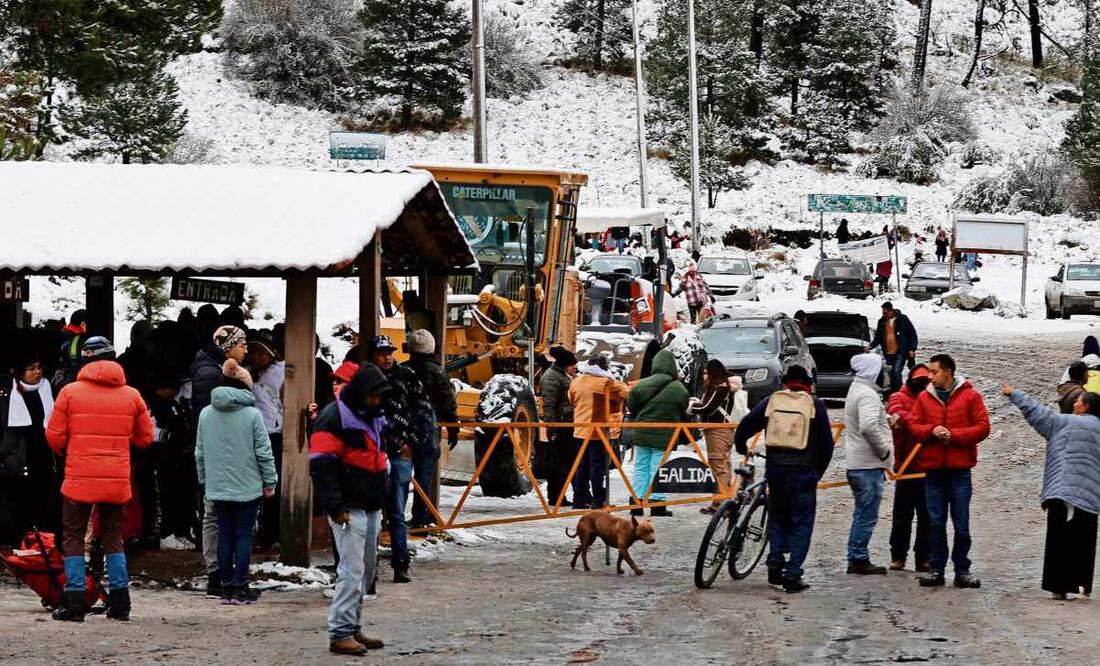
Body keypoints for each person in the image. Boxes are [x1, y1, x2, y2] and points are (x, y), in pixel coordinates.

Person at [46, 337, 154, 622]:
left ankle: (74, 600)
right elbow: (145, 438)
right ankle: (120, 603)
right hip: (115, 479)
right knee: (113, 537)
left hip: (79, 477)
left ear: (86, 359)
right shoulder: (131, 395)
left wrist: (69, 451)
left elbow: (54, 435)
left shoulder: (69, 393)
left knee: (73, 536)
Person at [310, 364, 391, 656]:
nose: (378, 401)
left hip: (369, 504)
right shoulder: (332, 418)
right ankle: (341, 632)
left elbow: (379, 455)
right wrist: (335, 506)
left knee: (365, 571)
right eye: (375, 396)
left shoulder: (372, 414)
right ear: (362, 393)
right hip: (348, 507)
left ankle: (352, 628)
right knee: (352, 570)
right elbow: (321, 465)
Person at [734, 365, 835, 593]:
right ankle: (792, 575)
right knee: (802, 524)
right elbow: (827, 445)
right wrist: (816, 472)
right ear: (807, 383)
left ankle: (774, 565)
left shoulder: (773, 401)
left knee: (777, 518)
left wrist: (741, 446)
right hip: (804, 471)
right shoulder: (815, 405)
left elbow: (746, 425)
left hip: (776, 470)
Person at [1003, 385, 1100, 599]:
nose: (1074, 404)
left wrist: (1015, 394)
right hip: (1091, 495)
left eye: (1078, 401)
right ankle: (1084, 585)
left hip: (1063, 490)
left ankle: (1060, 588)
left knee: (1059, 540)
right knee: (1085, 540)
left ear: (1085, 407)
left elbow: (1038, 412)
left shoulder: (1064, 422)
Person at [195, 359, 277, 605]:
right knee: (243, 536)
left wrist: (204, 479)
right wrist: (270, 480)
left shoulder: (206, 414)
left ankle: (225, 585)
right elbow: (263, 451)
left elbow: (199, 452)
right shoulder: (252, 415)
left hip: (217, 486)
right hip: (247, 486)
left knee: (224, 536)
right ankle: (241, 586)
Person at [906, 354, 989, 589]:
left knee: (961, 523)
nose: (929, 376)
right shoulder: (924, 398)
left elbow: (983, 427)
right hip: (933, 470)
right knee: (936, 522)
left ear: (948, 372)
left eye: (934, 372)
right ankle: (937, 568)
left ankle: (962, 569)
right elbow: (913, 425)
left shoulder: (971, 396)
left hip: (959, 470)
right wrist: (932, 430)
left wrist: (954, 436)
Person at [191, 324, 248, 598]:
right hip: (221, 458)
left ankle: (223, 575)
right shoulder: (211, 375)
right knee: (216, 519)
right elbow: (210, 423)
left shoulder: (211, 369)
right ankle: (220, 575)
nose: (245, 349)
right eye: (241, 344)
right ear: (228, 348)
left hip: (217, 459)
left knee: (218, 519)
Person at [370, 335, 433, 584]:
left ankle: (401, 564)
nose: (387, 356)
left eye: (389, 352)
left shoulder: (406, 376)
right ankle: (368, 567)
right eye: (381, 352)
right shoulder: (367, 379)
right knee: (370, 514)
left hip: (399, 454)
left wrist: (412, 443)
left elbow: (424, 412)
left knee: (396, 513)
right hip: (372, 454)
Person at [0, 355, 60, 546]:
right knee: (19, 503)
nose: (37, 372)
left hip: (44, 453)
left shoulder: (49, 389)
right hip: (16, 455)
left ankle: (43, 544)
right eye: (31, 368)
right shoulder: (7, 393)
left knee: (44, 501)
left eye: (39, 367)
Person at [402, 329, 457, 528]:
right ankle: (420, 517)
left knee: (401, 474)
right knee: (424, 476)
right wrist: (453, 427)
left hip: (404, 428)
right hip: (429, 428)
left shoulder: (403, 370)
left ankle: (395, 516)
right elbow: (447, 401)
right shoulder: (438, 372)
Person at [843, 354, 894, 575]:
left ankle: (856, 555)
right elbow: (868, 426)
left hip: (859, 464)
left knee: (861, 513)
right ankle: (858, 558)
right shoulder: (867, 395)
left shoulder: (858, 390)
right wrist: (884, 450)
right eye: (882, 370)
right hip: (867, 465)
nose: (886, 374)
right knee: (866, 515)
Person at [626, 349, 689, 518]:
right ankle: (657, 503)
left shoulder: (641, 384)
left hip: (642, 432)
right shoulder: (679, 388)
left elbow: (631, 407)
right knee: (658, 467)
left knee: (640, 466)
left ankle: (637, 502)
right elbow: (684, 410)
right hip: (665, 435)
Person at [568, 355, 630, 509]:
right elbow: (624, 393)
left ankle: (579, 499)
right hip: (597, 432)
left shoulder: (576, 381)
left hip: (579, 430)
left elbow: (571, 398)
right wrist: (616, 378)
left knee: (581, 467)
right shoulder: (606, 383)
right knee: (597, 468)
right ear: (604, 367)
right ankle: (598, 500)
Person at [887, 364, 932, 573]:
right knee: (902, 515)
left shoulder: (934, 399)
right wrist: (923, 424)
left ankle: (924, 557)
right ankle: (898, 556)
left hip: (929, 467)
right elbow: (894, 414)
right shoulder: (899, 397)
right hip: (905, 466)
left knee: (927, 516)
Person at [688, 360, 747, 514]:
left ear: (713, 373)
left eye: (706, 372)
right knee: (723, 464)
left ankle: (721, 503)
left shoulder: (720, 388)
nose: (704, 376)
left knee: (718, 464)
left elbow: (708, 408)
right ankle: (725, 500)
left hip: (718, 430)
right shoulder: (723, 387)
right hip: (722, 430)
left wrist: (690, 406)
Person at [246, 332, 285, 550]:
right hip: (256, 433)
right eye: (251, 352)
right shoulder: (250, 375)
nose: (254, 357)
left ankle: (271, 532)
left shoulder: (280, 373)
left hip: (274, 433)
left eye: (259, 353)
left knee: (272, 485)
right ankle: (263, 530)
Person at [541, 346, 577, 507]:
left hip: (567, 425)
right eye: (572, 366)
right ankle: (556, 497)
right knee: (558, 465)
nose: (574, 369)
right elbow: (548, 404)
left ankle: (561, 496)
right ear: (565, 365)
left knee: (568, 463)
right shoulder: (551, 378)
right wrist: (552, 426)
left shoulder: (561, 375)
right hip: (560, 426)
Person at [868, 302, 918, 396]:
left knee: (897, 371)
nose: (884, 315)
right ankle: (894, 392)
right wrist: (871, 346)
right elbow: (878, 337)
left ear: (891, 310)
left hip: (901, 350)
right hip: (888, 351)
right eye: (883, 313)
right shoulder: (882, 321)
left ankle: (899, 393)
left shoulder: (903, 319)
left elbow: (912, 334)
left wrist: (912, 348)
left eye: (885, 312)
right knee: (891, 372)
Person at [53, 309, 87, 389]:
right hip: (68, 385)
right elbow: (75, 366)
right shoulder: (75, 341)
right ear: (83, 324)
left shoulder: (63, 334)